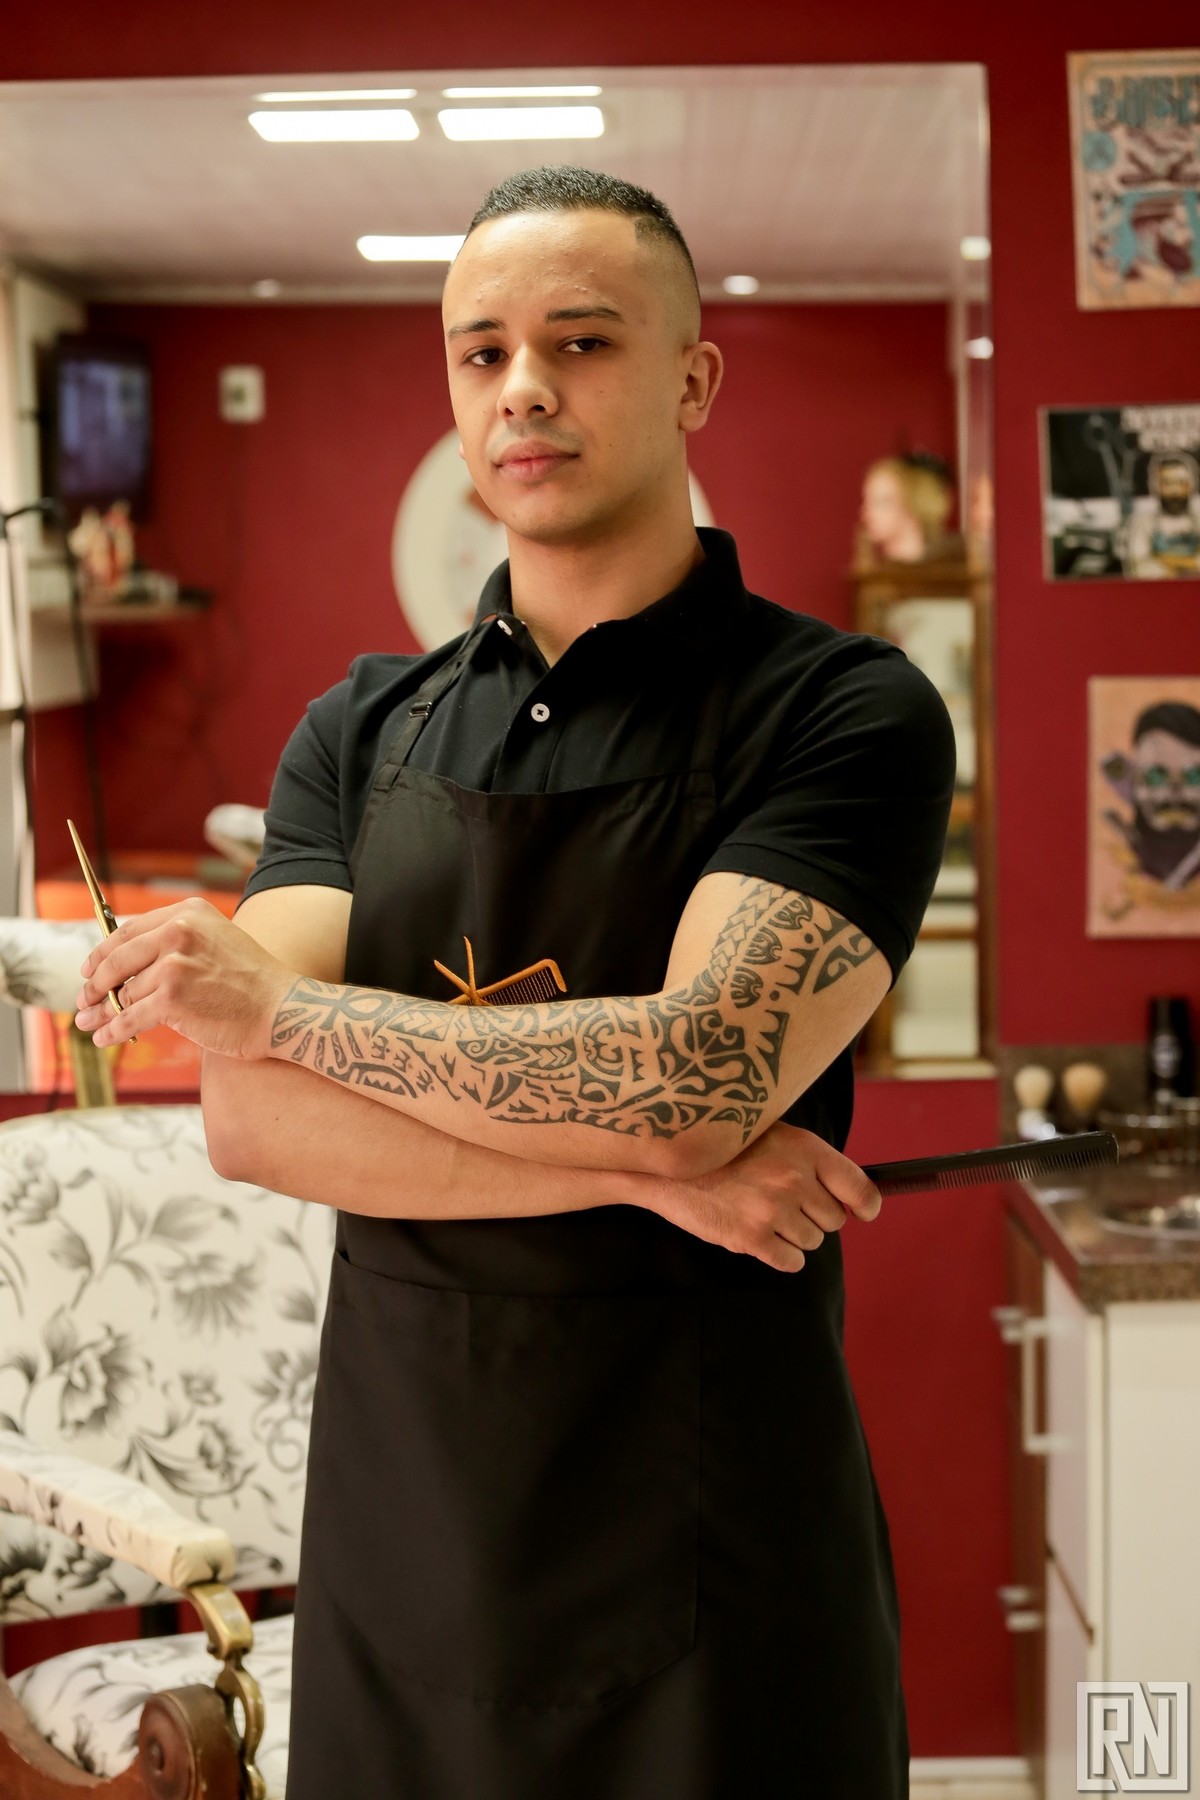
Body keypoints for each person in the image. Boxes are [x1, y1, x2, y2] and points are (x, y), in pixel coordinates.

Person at [75, 166, 955, 1800]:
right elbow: (257, 1127)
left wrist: (284, 1013)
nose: (523, 388)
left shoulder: (842, 712)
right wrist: (655, 1174)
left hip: (713, 1544)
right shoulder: (361, 728)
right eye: (482, 353)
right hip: (406, 1536)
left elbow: (694, 1077)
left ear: (692, 379)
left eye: (582, 342)